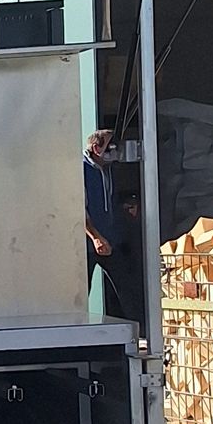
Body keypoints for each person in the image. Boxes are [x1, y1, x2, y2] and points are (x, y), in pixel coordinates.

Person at [84, 128, 137, 325]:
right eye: (110, 147)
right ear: (97, 149)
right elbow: (78, 209)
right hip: (90, 245)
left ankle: (133, 330)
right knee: (82, 292)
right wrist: (95, 237)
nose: (115, 152)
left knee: (125, 287)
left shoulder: (109, 170)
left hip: (110, 240)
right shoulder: (81, 170)